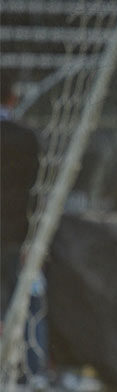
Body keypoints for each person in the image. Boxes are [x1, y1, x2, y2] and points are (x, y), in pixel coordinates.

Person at [1, 70, 41, 324]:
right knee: (22, 306)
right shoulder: (26, 138)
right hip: (16, 235)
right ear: (13, 98)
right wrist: (32, 238)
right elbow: (35, 189)